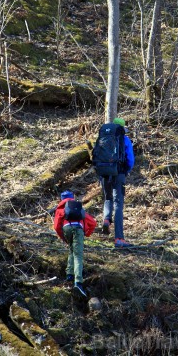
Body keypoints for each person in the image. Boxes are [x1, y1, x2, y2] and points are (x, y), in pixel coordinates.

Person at [53, 190, 96, 299]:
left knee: (72, 249)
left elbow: (57, 226)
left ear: (62, 199)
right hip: (78, 229)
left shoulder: (60, 209)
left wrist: (63, 237)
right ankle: (78, 282)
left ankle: (69, 274)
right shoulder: (77, 207)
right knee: (78, 254)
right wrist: (87, 233)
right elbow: (92, 222)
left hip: (66, 229)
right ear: (72, 197)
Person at [100, 117, 135, 248]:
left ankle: (106, 220)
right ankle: (119, 238)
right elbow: (130, 159)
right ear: (123, 128)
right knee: (118, 203)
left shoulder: (104, 137)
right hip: (119, 173)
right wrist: (127, 170)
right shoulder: (125, 140)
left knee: (107, 198)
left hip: (104, 172)